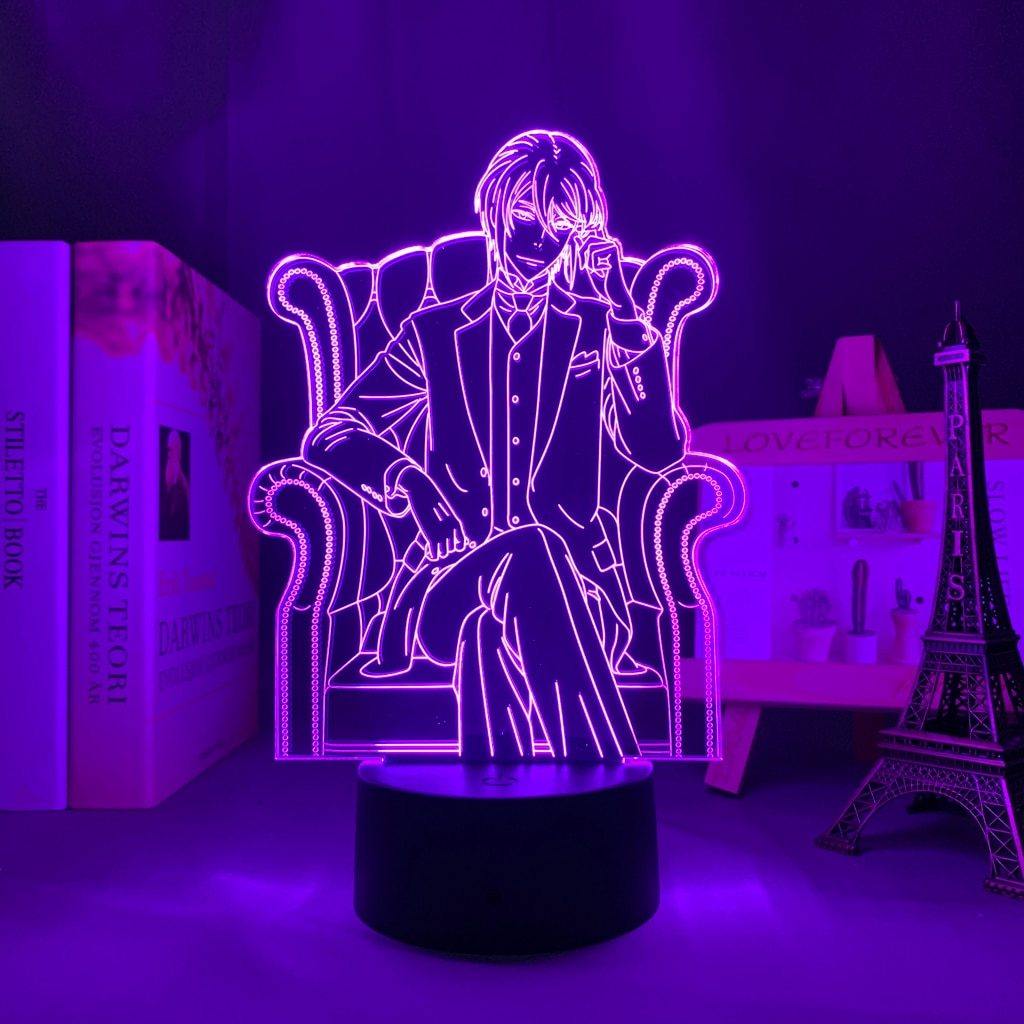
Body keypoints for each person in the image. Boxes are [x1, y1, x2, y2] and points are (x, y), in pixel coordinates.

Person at [304, 130, 683, 761]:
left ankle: (493, 773)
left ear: (578, 237)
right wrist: (407, 480)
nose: (537, 244)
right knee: (524, 559)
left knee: (493, 626)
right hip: (446, 582)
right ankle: (604, 772)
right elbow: (331, 435)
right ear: (494, 212)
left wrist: (620, 310)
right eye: (525, 219)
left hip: (581, 594)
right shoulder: (434, 333)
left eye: (559, 230)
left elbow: (659, 451)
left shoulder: (602, 327)